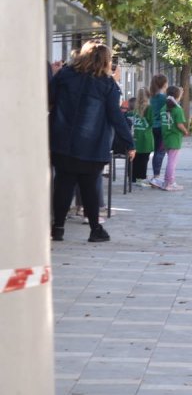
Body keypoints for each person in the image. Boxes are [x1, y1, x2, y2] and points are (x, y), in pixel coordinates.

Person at [49, 41, 135, 243]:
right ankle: (95, 229)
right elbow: (116, 116)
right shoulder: (107, 84)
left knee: (63, 184)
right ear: (106, 61)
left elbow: (49, 97)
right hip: (92, 146)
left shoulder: (65, 75)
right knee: (89, 187)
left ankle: (58, 228)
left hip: (62, 142)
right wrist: (129, 143)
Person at [149, 86, 188, 191]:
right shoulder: (178, 110)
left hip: (166, 137)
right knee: (172, 161)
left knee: (170, 160)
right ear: (177, 97)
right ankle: (170, 182)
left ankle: (167, 181)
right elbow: (179, 124)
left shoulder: (164, 108)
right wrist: (185, 131)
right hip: (175, 137)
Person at [130, 89, 154, 186]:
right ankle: (141, 178)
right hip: (145, 137)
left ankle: (133, 177)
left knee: (135, 158)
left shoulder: (134, 109)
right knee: (144, 158)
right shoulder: (149, 108)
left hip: (136, 136)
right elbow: (152, 122)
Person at [148, 74, 168, 185]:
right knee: (160, 152)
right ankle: (156, 176)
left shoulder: (151, 97)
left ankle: (155, 174)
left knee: (156, 151)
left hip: (152, 127)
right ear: (164, 84)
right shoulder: (164, 98)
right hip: (162, 127)